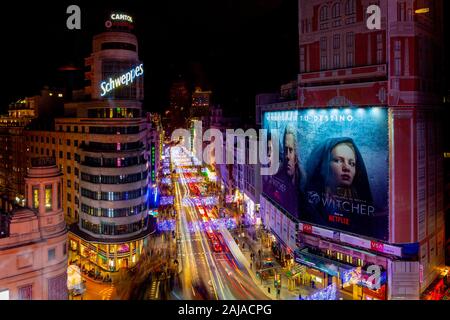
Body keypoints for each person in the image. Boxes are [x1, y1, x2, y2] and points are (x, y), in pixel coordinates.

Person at [304, 137, 374, 233]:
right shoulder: (311, 204)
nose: (346, 168)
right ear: (323, 164)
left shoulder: (363, 209)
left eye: (352, 163)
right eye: (338, 160)